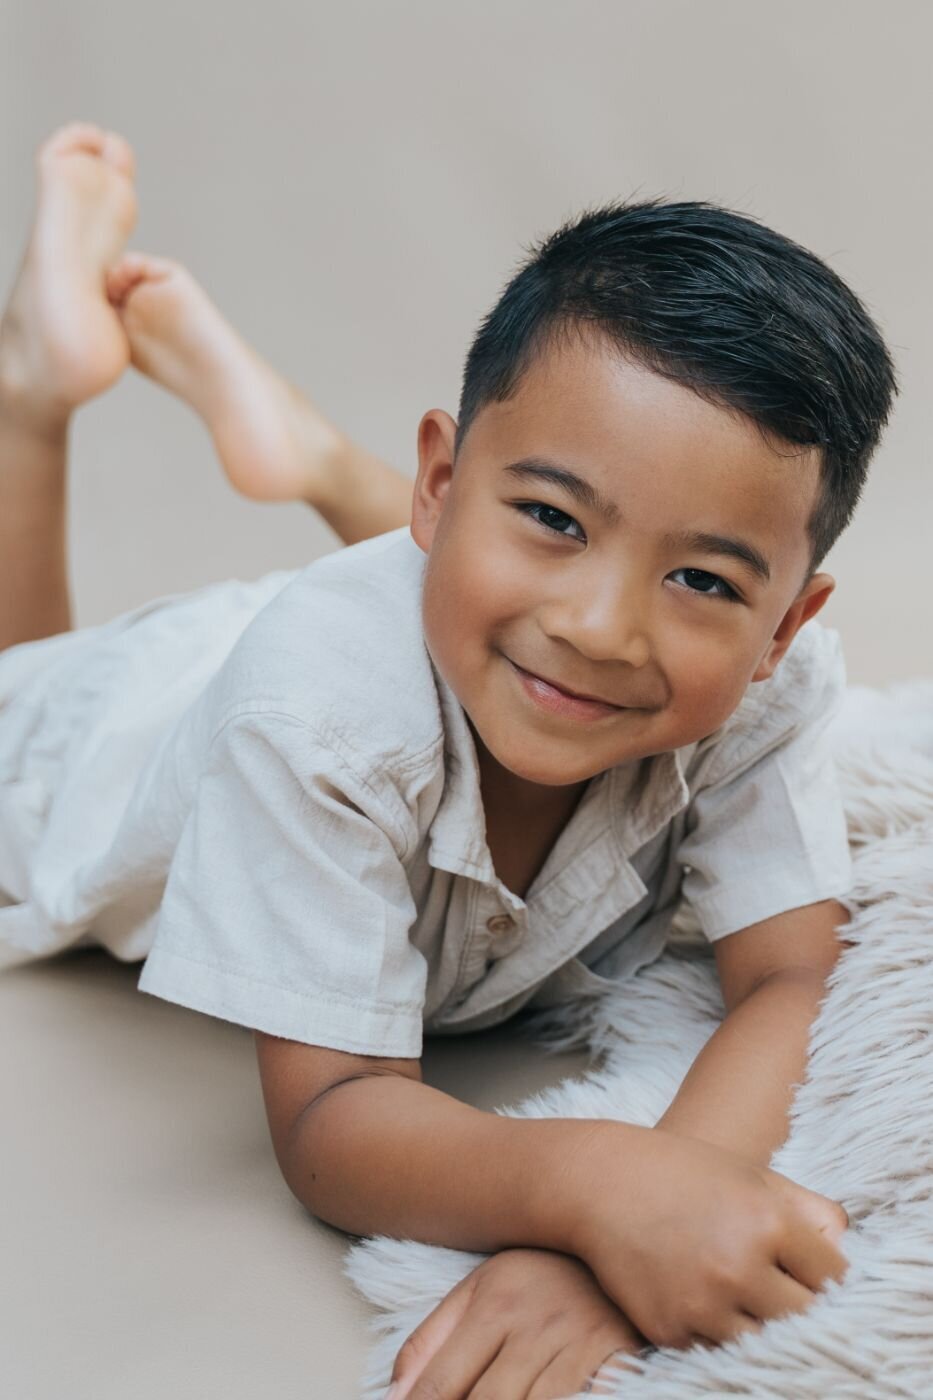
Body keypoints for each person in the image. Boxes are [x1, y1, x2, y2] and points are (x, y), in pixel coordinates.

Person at [0, 123, 897, 1400]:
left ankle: (315, 455)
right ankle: (32, 387)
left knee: (513, 613)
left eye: (704, 579)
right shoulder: (310, 721)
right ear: (437, 480)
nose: (605, 625)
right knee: (21, 696)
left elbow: (791, 972)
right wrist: (596, 1183)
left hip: (410, 634)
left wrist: (667, 1199)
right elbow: (332, 1114)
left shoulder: (766, 689)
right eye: (552, 514)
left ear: (784, 629)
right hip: (144, 717)